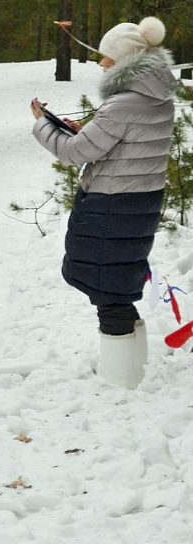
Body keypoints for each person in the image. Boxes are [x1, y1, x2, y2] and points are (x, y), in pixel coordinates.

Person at [30, 17, 175, 388]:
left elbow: (74, 153)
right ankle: (132, 366)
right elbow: (124, 144)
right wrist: (86, 132)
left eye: (107, 55)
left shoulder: (121, 105)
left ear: (125, 60)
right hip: (139, 202)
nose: (101, 62)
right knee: (118, 283)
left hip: (110, 204)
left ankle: (119, 377)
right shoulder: (158, 98)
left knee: (105, 286)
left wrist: (43, 124)